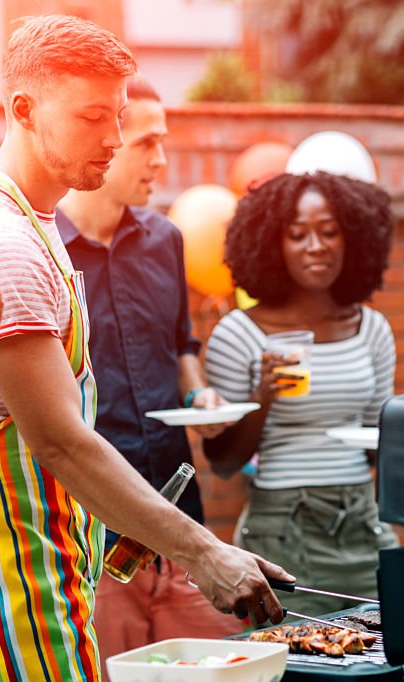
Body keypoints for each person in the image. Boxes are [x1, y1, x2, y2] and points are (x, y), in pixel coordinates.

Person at [0, 15, 289, 681]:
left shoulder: (19, 221)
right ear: (22, 109)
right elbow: (61, 442)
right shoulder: (4, 242)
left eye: (118, 115)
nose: (114, 139)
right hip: (2, 552)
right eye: (93, 116)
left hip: (37, 542)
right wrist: (204, 553)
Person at [56, 76, 243, 668]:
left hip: (184, 525)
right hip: (94, 538)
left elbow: (181, 344)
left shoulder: (166, 240)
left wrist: (202, 394)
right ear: (103, 139)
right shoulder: (44, 251)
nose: (161, 160)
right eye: (147, 144)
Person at [203, 171, 398, 615]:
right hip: (282, 528)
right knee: (299, 667)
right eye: (297, 235)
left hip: (361, 524)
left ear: (354, 240)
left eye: (329, 232)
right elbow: (223, 460)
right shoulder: (240, 333)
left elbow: (375, 444)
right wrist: (263, 396)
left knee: (386, 659)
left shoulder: (372, 330)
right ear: (273, 244)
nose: (316, 246)